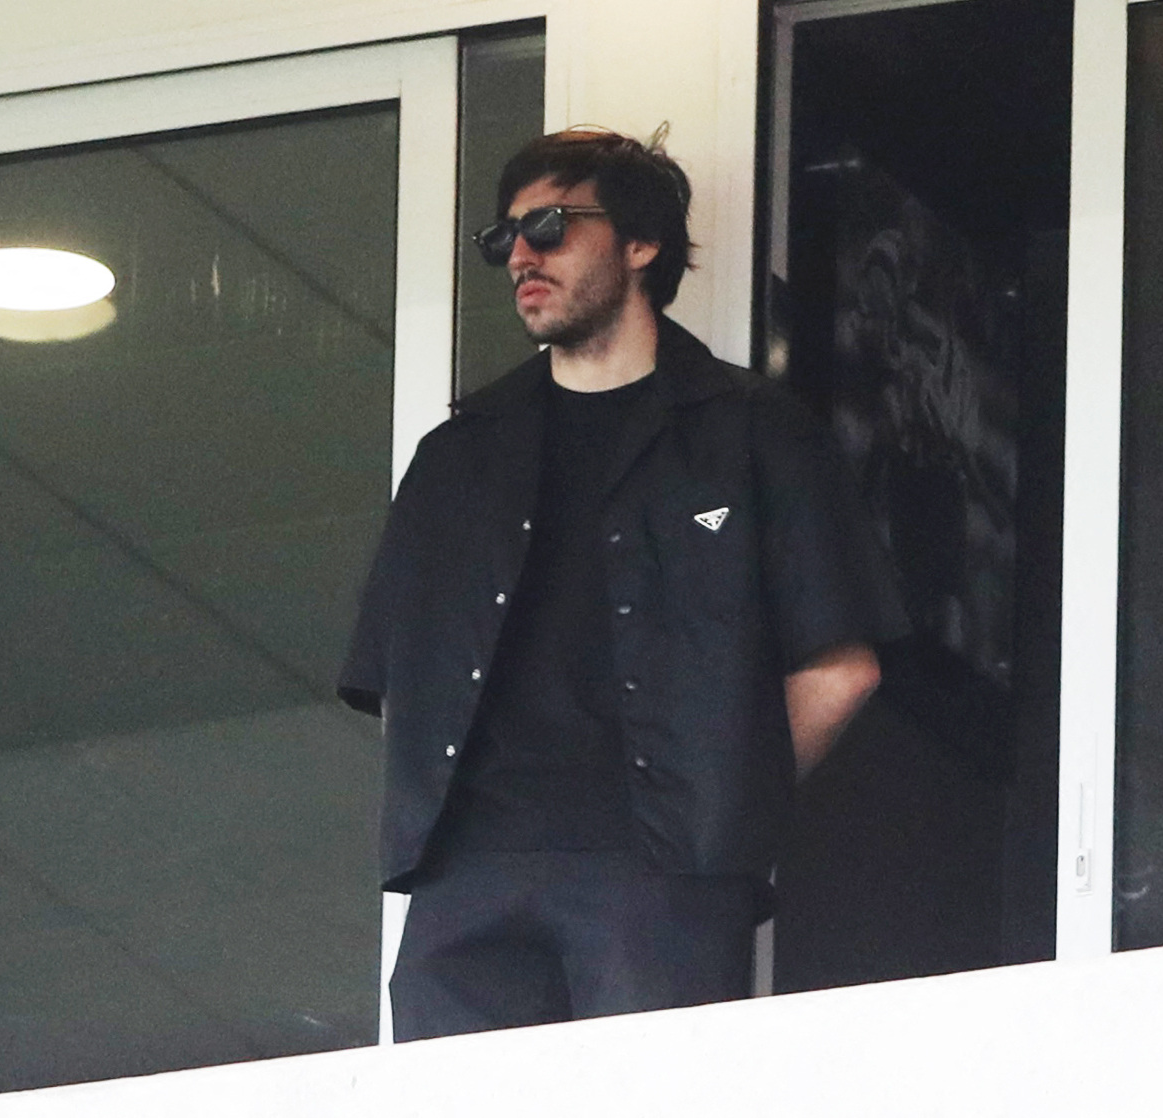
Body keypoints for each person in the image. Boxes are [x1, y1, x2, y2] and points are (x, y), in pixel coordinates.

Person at [338, 126, 908, 1041]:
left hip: (655, 871)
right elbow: (399, 681)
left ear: (641, 244)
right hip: (463, 874)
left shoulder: (756, 433)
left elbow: (840, 669)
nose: (521, 254)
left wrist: (721, 794)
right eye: (504, 238)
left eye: (552, 226)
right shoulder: (458, 455)